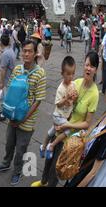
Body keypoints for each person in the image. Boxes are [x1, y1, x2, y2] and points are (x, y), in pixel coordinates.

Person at [32, 52, 99, 187]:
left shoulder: (94, 94)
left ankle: (49, 183)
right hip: (60, 125)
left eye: (92, 66)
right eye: (86, 65)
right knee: (48, 160)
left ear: (96, 69)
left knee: (56, 167)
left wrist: (67, 124)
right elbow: (64, 98)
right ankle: (43, 182)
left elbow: (87, 124)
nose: (88, 68)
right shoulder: (77, 82)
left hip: (70, 136)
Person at [0, 40, 47, 186]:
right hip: (12, 117)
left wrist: (23, 119)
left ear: (35, 54)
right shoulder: (17, 70)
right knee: (9, 143)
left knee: (21, 148)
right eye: (24, 50)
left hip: (26, 120)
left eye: (30, 51)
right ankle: (5, 163)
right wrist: (8, 113)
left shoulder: (40, 74)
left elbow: (38, 100)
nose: (26, 54)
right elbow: (10, 93)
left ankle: (17, 172)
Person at [40, 57, 78, 159]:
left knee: (52, 131)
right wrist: (66, 98)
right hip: (58, 115)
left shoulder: (73, 84)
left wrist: (74, 97)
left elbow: (74, 98)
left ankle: (43, 146)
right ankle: (51, 146)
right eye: (68, 74)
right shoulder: (61, 88)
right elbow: (58, 104)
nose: (71, 77)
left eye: (72, 74)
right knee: (69, 129)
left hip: (64, 116)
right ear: (62, 74)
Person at [65, 110, 106, 187]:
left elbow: (93, 172)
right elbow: (92, 135)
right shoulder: (104, 115)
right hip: (76, 165)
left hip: (82, 175)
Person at [0, 34, 16, 122]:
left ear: (1, 42)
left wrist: (1, 82)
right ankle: (4, 111)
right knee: (5, 96)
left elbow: (3, 69)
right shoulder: (10, 50)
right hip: (10, 77)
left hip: (6, 78)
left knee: (4, 97)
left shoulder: (6, 53)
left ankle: (4, 115)